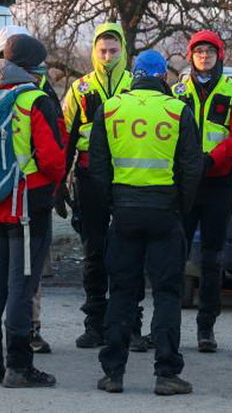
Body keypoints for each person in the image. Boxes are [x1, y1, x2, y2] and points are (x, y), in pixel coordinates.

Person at [90, 50, 201, 395]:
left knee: (121, 292)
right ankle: (167, 374)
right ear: (163, 77)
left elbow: (97, 166)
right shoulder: (178, 110)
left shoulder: (108, 108)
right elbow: (192, 168)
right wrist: (179, 208)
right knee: (167, 294)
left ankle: (113, 373)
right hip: (164, 210)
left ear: (134, 75)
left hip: (123, 211)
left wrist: (112, 203)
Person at [0, 34, 65, 388]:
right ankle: (19, 367)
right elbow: (53, 160)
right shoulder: (33, 100)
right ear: (32, 66)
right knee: (21, 287)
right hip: (28, 204)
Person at [172, 29, 232, 352]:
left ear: (220, 55)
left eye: (210, 51)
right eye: (198, 51)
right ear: (190, 56)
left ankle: (206, 328)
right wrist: (190, 164)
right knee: (175, 254)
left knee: (212, 258)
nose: (204, 56)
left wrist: (211, 160)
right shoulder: (178, 91)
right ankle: (168, 327)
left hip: (219, 182)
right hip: (186, 183)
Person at [62, 22, 134, 349]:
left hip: (127, 177)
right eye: (102, 51)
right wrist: (58, 184)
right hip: (89, 178)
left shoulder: (135, 85)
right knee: (94, 251)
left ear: (123, 51)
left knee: (128, 251)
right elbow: (65, 137)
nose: (107, 57)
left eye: (113, 51)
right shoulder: (80, 89)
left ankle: (130, 324)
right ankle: (94, 323)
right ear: (94, 50)